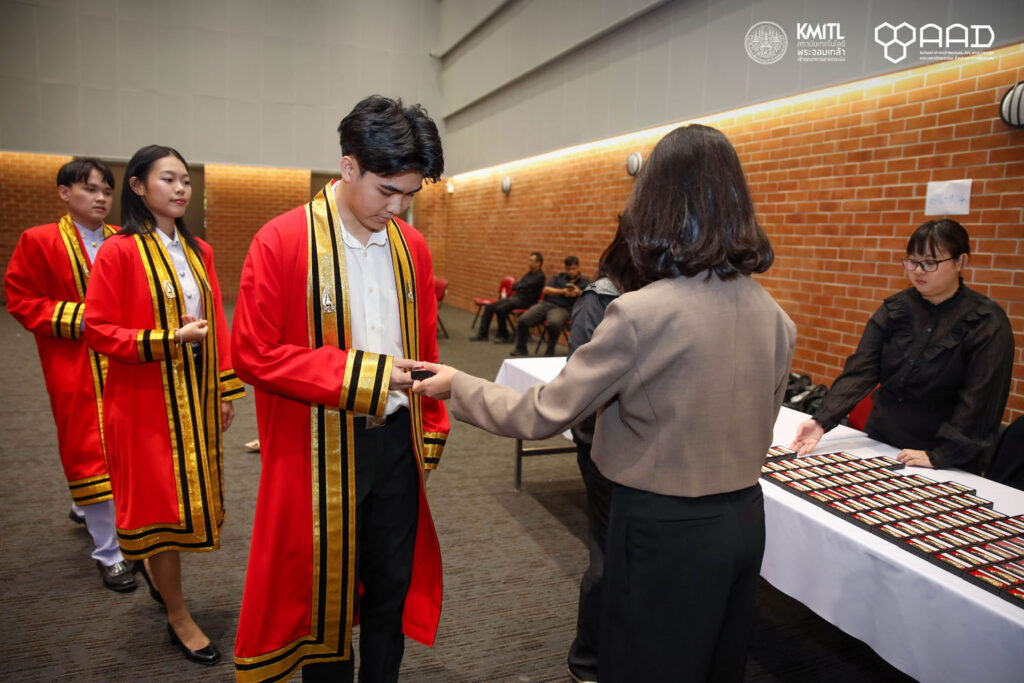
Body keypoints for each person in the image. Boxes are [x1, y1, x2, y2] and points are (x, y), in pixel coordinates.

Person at [413, 124, 796, 682]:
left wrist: (457, 384)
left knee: (644, 663)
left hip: (662, 526)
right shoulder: (775, 317)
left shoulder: (642, 314)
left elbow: (542, 413)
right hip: (743, 519)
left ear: (657, 204)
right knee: (719, 665)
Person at [231, 95, 450, 683]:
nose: (398, 208)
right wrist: (365, 376)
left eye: (411, 195)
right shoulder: (282, 240)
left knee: (390, 585)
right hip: (318, 447)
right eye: (387, 191)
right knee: (323, 596)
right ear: (348, 166)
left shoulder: (412, 247)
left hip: (396, 444)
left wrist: (430, 426)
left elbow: (426, 345)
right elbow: (252, 352)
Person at [84, 145, 245, 666]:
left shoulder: (198, 251)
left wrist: (224, 388)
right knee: (158, 508)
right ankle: (178, 614)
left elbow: (217, 324)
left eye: (185, 181)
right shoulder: (120, 251)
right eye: (167, 180)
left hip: (191, 396)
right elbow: (99, 330)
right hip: (142, 399)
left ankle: (159, 578)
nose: (180, 189)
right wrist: (167, 339)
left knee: (185, 501)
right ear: (137, 186)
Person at [5, 158, 137, 593]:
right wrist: (84, 319)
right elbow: (21, 298)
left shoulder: (126, 239)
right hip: (74, 362)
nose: (100, 198)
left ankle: (86, 508)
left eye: (106, 191)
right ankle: (110, 553)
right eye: (89, 189)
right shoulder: (39, 240)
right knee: (88, 448)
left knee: (126, 443)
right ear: (64, 192)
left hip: (125, 360)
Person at [790, 218, 1014, 472]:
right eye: (912, 261)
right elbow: (861, 371)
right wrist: (821, 421)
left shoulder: (986, 322)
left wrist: (941, 455)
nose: (918, 270)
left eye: (930, 263)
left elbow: (980, 401)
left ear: (960, 262)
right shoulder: (895, 309)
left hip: (943, 457)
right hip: (881, 441)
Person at [564, 265, 620, 683]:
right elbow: (579, 383)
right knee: (607, 556)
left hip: (645, 454)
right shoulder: (598, 299)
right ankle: (588, 660)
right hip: (602, 447)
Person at [510, 255, 591, 356]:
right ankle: (521, 348)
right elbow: (546, 289)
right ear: (565, 268)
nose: (571, 271)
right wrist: (563, 291)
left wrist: (578, 292)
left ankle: (549, 351)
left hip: (564, 308)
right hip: (546, 304)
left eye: (573, 269)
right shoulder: (558, 277)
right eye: (568, 269)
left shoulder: (585, 282)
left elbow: (591, 295)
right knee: (523, 319)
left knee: (554, 323)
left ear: (578, 267)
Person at [470, 252, 545, 343]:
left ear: (538, 263)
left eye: (531, 261)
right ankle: (482, 335)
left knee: (501, 309)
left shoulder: (540, 276)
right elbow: (516, 285)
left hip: (526, 301)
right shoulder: (528, 274)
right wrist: (521, 286)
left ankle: (503, 335)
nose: (529, 262)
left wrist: (521, 286)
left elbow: (525, 285)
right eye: (529, 260)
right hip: (516, 298)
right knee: (489, 307)